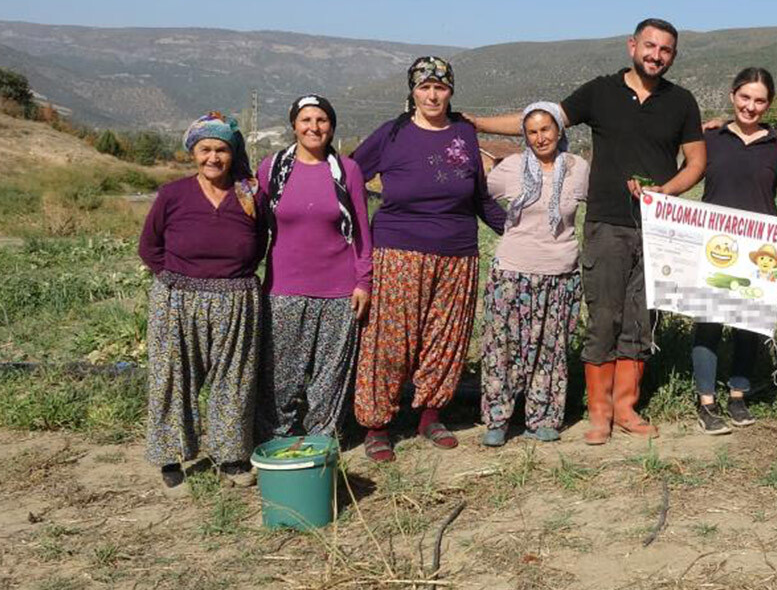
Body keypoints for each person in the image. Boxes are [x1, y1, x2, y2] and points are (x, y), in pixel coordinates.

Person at [470, 19, 706, 444]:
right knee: (603, 319)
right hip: (606, 225)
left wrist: (665, 191)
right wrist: (476, 124)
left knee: (642, 319)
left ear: (673, 55)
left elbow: (695, 162)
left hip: (658, 227)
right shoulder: (599, 92)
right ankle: (599, 414)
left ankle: (626, 408)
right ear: (632, 45)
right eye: (649, 46)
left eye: (666, 50)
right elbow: (540, 119)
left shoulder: (683, 102)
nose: (656, 55)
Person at [350, 56, 506, 462]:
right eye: (425, 87)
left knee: (445, 338)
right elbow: (348, 178)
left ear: (451, 91)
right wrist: (358, 225)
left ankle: (430, 415)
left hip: (457, 253)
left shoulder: (464, 134)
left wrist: (518, 231)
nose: (433, 94)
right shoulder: (392, 133)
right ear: (412, 92)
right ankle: (377, 423)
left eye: (440, 87)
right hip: (398, 250)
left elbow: (479, 199)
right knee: (390, 340)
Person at [138, 111, 263, 490]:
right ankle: (171, 456)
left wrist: (232, 276)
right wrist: (177, 283)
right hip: (178, 299)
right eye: (205, 149)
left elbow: (260, 244)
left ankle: (231, 456)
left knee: (234, 380)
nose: (213, 157)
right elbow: (149, 247)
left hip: (236, 297)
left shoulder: (250, 195)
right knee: (174, 377)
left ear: (232, 152)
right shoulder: (173, 194)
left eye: (221, 149)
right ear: (193, 152)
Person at [256, 94, 372, 440]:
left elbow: (363, 234)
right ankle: (278, 440)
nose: (314, 127)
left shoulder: (347, 171)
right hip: (283, 289)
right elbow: (255, 224)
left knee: (330, 377)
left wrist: (363, 282)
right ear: (294, 125)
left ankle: (322, 442)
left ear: (331, 126)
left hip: (338, 292)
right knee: (281, 375)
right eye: (306, 120)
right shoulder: (272, 168)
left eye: (321, 120)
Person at [479, 102, 589, 447]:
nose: (540, 137)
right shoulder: (509, 168)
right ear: (525, 136)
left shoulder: (578, 167)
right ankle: (498, 418)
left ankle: (543, 417)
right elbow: (479, 198)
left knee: (550, 349)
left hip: (559, 272)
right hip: (512, 271)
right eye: (532, 131)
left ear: (559, 130)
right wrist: (503, 227)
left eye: (546, 129)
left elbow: (597, 204)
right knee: (502, 347)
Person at [690, 67, 777, 434]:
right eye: (745, 97)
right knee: (709, 324)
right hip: (714, 246)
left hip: (760, 249)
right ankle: (706, 402)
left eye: (759, 100)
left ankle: (738, 395)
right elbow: (684, 170)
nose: (751, 106)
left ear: (769, 104)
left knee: (749, 326)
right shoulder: (711, 138)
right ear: (732, 96)